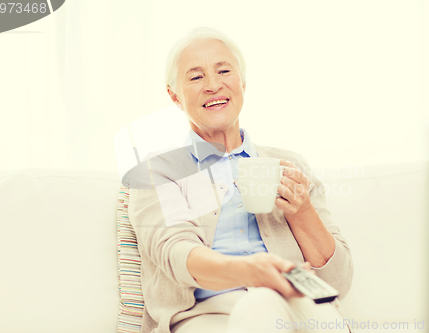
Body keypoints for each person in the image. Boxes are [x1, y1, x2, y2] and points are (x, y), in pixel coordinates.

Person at [127, 27, 353, 333]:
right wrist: (250, 272)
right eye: (196, 77)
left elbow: (337, 283)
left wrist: (301, 212)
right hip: (205, 315)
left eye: (224, 71)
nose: (213, 85)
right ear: (175, 96)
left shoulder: (289, 165)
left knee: (317, 318)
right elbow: (176, 255)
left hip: (297, 307)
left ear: (242, 82)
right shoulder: (160, 169)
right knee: (260, 304)